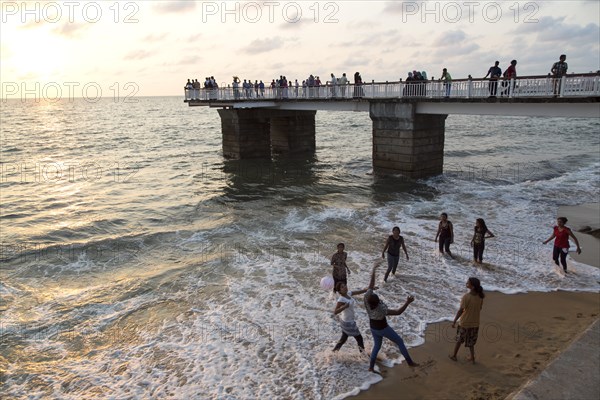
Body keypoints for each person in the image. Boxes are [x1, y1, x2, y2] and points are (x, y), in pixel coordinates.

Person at [364, 263, 418, 372]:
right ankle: (410, 362)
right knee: (399, 341)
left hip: (373, 328)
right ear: (377, 302)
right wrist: (407, 302)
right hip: (383, 328)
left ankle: (371, 367)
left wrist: (373, 270)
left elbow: (370, 285)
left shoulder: (366, 299)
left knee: (377, 346)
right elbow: (398, 312)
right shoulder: (381, 310)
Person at [449, 277, 484, 364]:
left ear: (472, 287)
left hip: (464, 323)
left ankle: (454, 356)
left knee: (459, 340)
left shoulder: (466, 297)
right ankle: (472, 358)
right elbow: (480, 308)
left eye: (468, 283)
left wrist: (454, 321)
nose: (466, 284)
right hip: (475, 323)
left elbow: (461, 310)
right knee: (471, 342)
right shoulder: (480, 297)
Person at [332, 282, 370, 353]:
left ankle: (334, 352)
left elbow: (358, 292)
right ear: (339, 291)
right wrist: (344, 307)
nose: (345, 287)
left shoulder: (348, 293)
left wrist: (368, 289)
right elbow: (335, 312)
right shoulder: (341, 299)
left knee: (343, 338)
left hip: (345, 321)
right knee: (359, 338)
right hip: (348, 323)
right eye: (342, 287)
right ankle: (363, 355)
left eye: (345, 285)